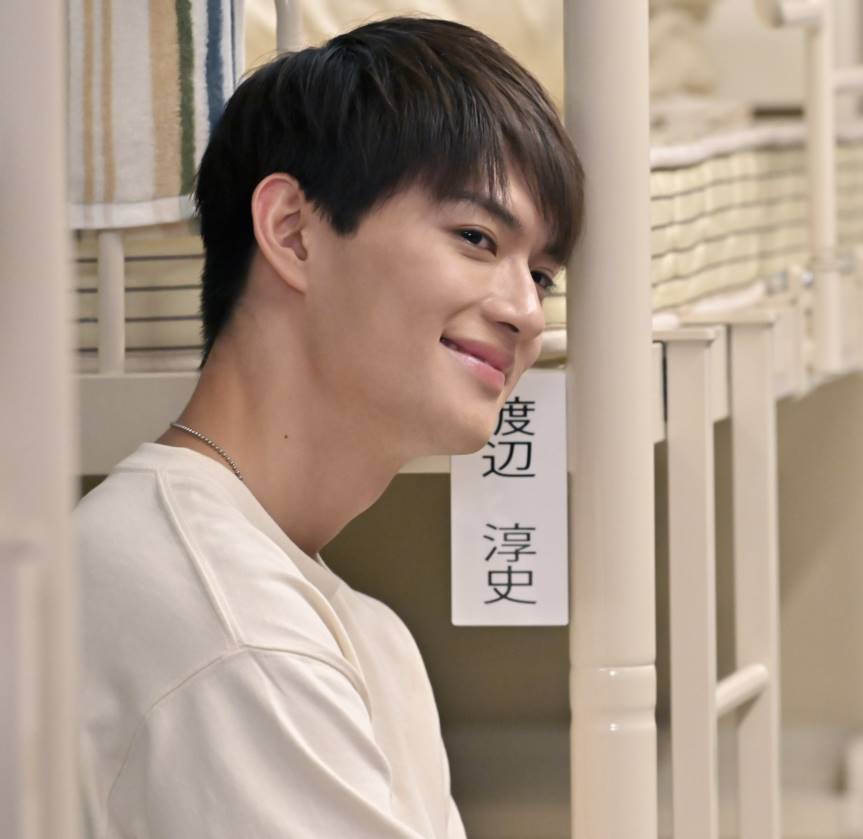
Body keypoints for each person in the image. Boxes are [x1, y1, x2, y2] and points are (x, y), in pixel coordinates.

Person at [74, 16, 583, 837]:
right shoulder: (231, 625)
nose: (526, 311)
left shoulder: (340, 624)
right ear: (293, 231)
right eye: (476, 238)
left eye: (544, 275)